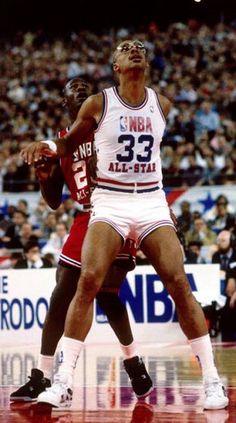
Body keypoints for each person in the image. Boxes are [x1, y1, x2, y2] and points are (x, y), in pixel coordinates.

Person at [21, 40, 229, 410]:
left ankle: (213, 381)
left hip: (150, 201)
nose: (134, 50)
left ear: (145, 62)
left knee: (178, 283)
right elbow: (67, 146)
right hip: (110, 203)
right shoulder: (99, 104)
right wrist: (45, 146)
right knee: (87, 282)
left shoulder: (161, 103)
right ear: (115, 65)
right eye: (125, 48)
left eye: (140, 48)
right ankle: (62, 380)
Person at [10, 77, 153, 403]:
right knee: (64, 289)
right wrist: (45, 179)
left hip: (119, 210)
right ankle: (42, 376)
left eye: (87, 88)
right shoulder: (61, 142)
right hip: (86, 215)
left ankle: (129, 361)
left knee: (103, 291)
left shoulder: (115, 127)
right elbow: (54, 200)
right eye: (74, 89)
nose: (81, 91)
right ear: (66, 104)